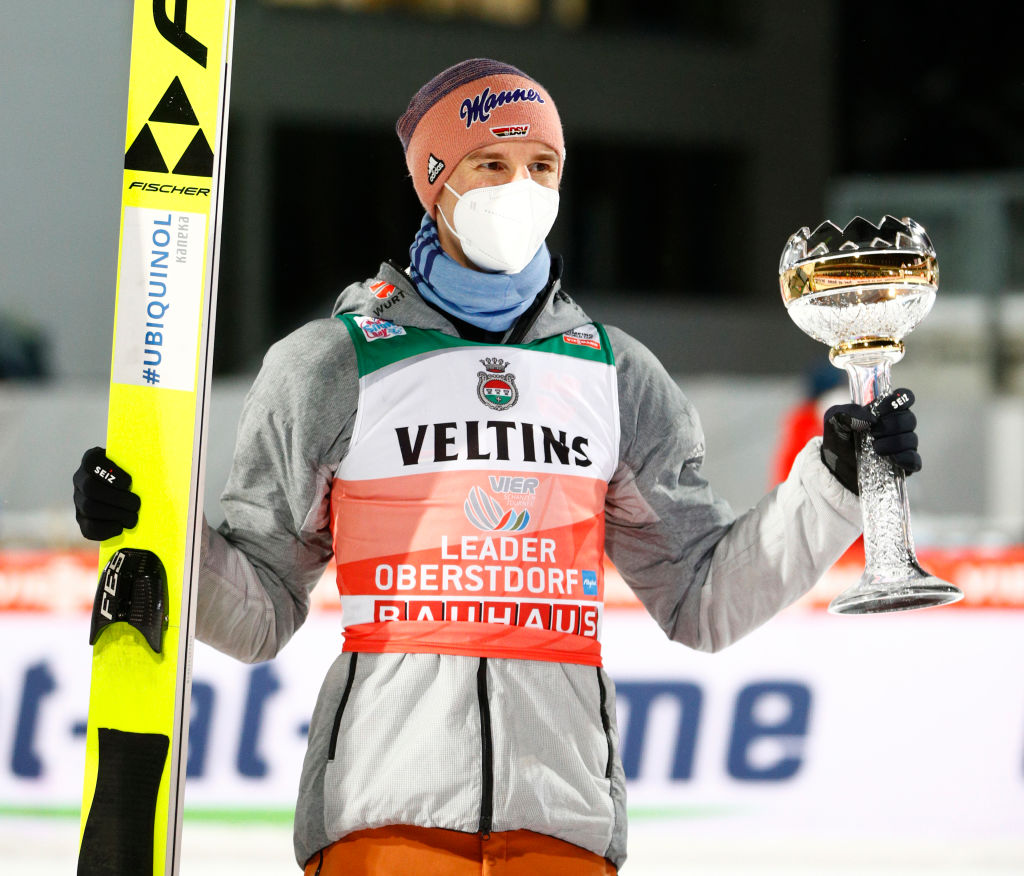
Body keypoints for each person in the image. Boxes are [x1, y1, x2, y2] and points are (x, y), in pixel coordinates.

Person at [73, 59, 922, 875]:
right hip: (382, 820)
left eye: (542, 165)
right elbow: (257, 611)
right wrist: (154, 527)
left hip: (563, 824)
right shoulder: (331, 366)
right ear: (434, 178)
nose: (523, 188)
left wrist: (835, 482)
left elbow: (703, 599)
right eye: (493, 163)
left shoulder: (614, 374)